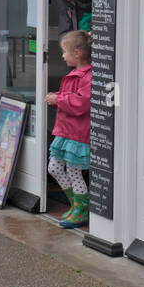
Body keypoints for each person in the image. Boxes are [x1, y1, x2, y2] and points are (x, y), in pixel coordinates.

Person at [44, 30, 93, 227]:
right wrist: (58, 97)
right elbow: (71, 97)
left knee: (73, 171)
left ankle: (81, 208)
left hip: (77, 134)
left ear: (77, 53)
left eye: (65, 52)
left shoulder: (88, 76)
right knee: (54, 167)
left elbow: (82, 102)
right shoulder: (75, 74)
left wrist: (58, 99)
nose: (62, 56)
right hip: (66, 132)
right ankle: (76, 204)